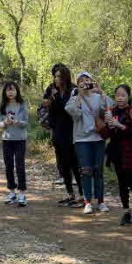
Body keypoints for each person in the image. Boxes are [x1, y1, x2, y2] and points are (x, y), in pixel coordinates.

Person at [65, 72, 113, 215]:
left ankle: (101, 201)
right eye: (81, 80)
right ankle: (87, 201)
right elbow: (71, 111)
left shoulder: (98, 97)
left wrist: (101, 90)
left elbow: (111, 106)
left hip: (97, 138)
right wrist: (79, 95)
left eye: (87, 80)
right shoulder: (75, 98)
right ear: (78, 83)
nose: (85, 82)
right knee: (85, 170)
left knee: (98, 170)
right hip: (81, 139)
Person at [106, 84, 132, 225]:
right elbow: (107, 133)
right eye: (117, 95)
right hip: (116, 150)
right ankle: (126, 211)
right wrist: (109, 125)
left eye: (123, 95)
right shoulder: (111, 111)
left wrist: (120, 126)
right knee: (121, 182)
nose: (120, 98)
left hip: (129, 150)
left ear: (128, 97)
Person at [43, 65, 83, 208]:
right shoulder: (51, 89)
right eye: (55, 76)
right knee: (63, 164)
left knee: (74, 163)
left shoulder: (73, 90)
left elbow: (71, 109)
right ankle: (69, 193)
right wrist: (48, 103)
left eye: (59, 76)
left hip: (70, 130)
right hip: (57, 130)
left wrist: (56, 100)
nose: (56, 79)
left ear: (65, 76)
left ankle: (82, 195)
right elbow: (45, 106)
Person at [0, 81, 28, 207]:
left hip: (20, 139)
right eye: (8, 90)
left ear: (17, 91)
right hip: (7, 140)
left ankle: (22, 193)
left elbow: (26, 123)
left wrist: (17, 122)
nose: (10, 92)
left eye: (13, 90)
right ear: (5, 92)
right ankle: (11, 192)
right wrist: (4, 122)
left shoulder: (22, 105)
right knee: (8, 166)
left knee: (20, 165)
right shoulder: (2, 106)